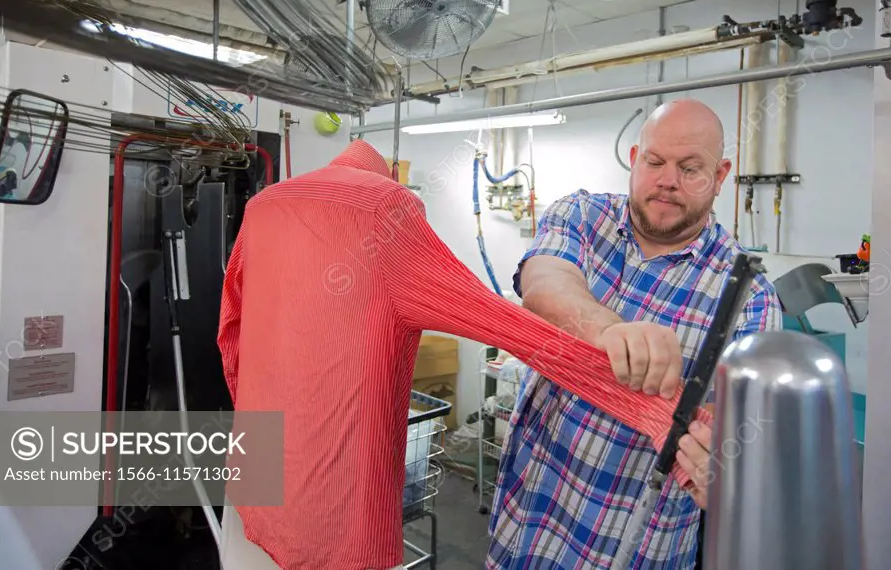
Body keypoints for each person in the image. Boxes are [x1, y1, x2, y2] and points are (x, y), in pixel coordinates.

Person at [215, 139, 713, 570]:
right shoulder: (384, 209)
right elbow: (507, 325)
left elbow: (230, 333)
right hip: (329, 508)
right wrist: (660, 411)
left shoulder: (265, 206)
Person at [486, 98, 783, 569]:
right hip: (526, 524)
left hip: (633, 549)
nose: (668, 180)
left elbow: (748, 440)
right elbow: (543, 283)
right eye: (655, 161)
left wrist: (726, 473)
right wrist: (609, 330)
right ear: (634, 158)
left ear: (720, 175)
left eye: (691, 168)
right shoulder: (582, 216)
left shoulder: (750, 301)